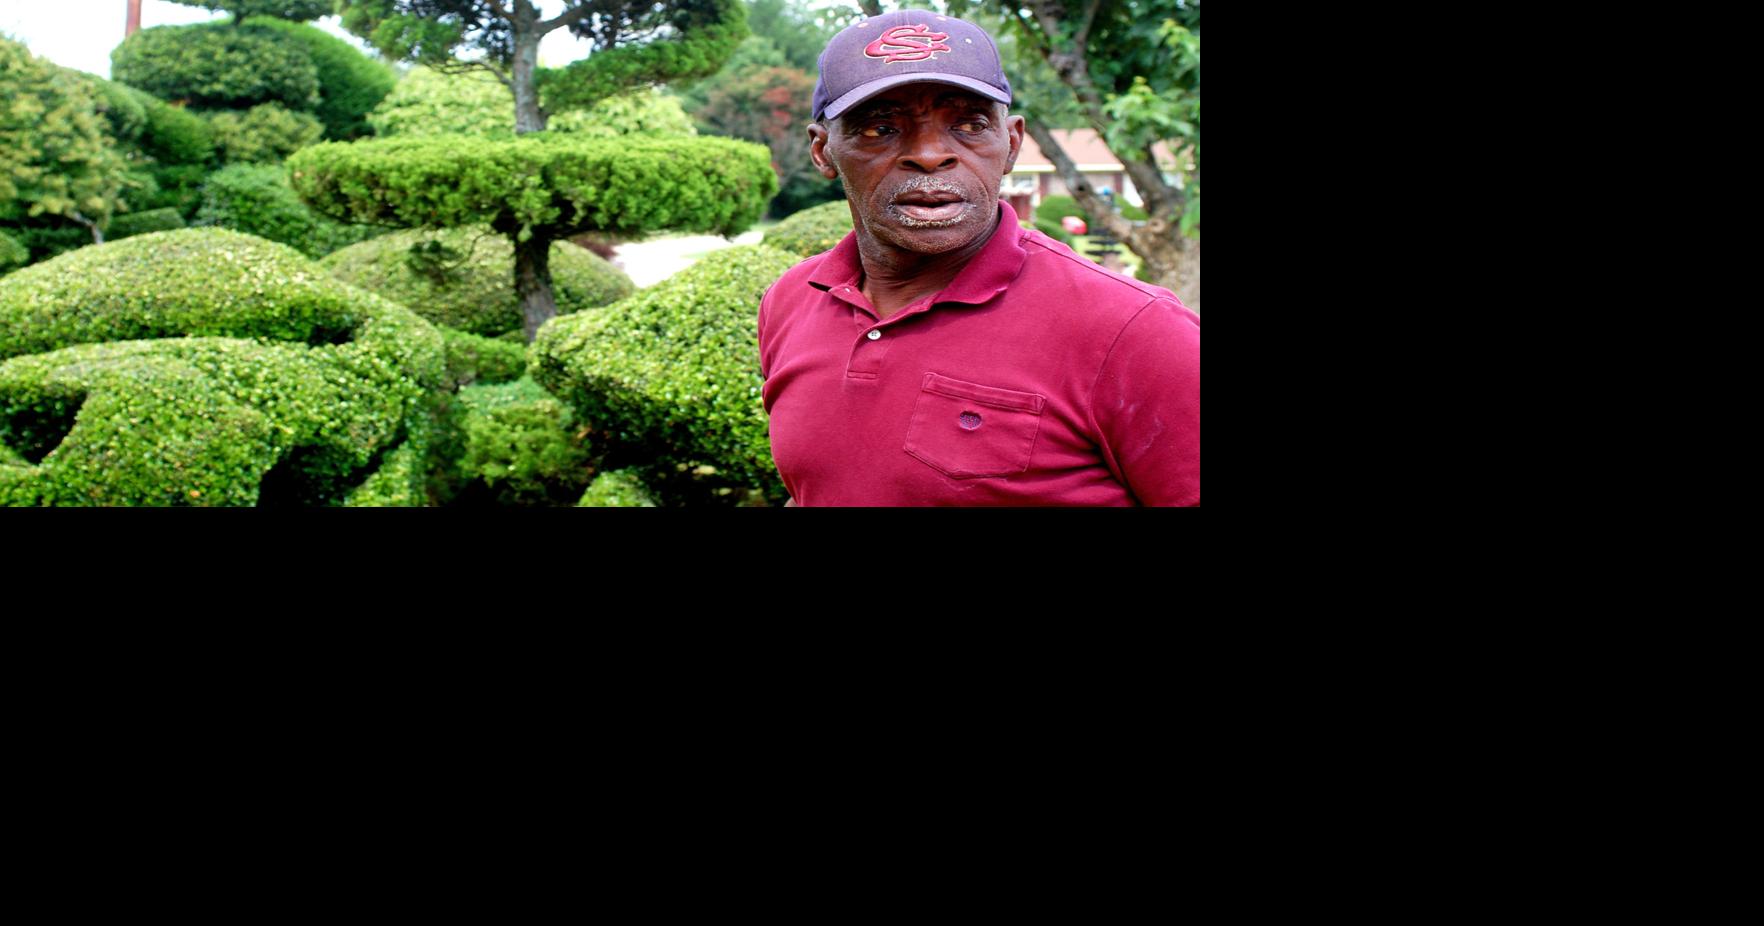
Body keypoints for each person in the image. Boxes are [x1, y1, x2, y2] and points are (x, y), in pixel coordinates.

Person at [757, 9, 1199, 506]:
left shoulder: (1136, 331)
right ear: (822, 152)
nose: (929, 154)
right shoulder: (790, 302)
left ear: (1011, 144)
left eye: (968, 124)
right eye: (881, 128)